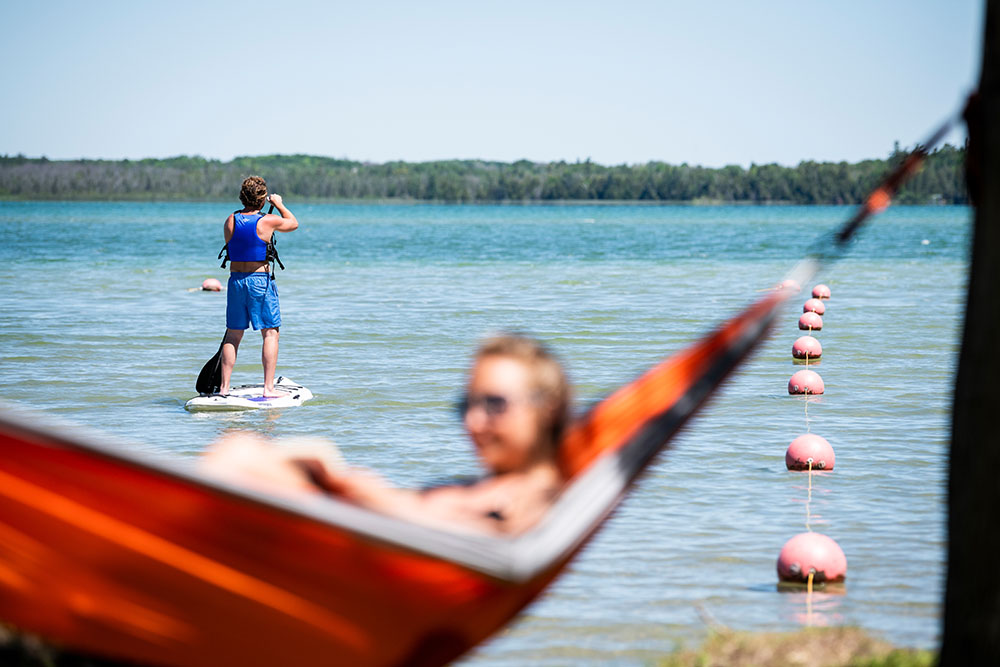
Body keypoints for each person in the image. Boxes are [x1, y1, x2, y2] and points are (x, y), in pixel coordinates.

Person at [201, 334, 571, 535]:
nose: (473, 423)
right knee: (241, 451)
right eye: (467, 407)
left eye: (494, 404)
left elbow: (478, 539)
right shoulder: (502, 487)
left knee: (239, 453)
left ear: (548, 406)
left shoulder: (535, 499)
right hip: (361, 528)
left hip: (367, 545)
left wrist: (369, 494)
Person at [219, 176, 298, 397]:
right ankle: (268, 388)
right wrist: (279, 204)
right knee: (270, 333)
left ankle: (223, 389)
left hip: (235, 281)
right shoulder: (267, 221)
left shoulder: (230, 220)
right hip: (258, 282)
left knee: (233, 335)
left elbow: (238, 243)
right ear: (262, 199)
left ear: (242, 197)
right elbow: (293, 223)